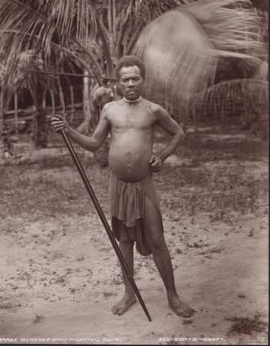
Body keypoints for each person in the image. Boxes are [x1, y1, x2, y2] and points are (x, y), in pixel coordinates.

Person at [51, 55, 194, 318]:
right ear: (118, 83)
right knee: (124, 241)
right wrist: (68, 130)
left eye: (135, 78)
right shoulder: (110, 110)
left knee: (157, 239)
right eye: (125, 79)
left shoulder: (153, 110)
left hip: (144, 184)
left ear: (143, 80)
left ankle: (173, 296)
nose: (130, 83)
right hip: (118, 185)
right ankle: (129, 294)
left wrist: (161, 156)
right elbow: (95, 144)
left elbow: (179, 134)